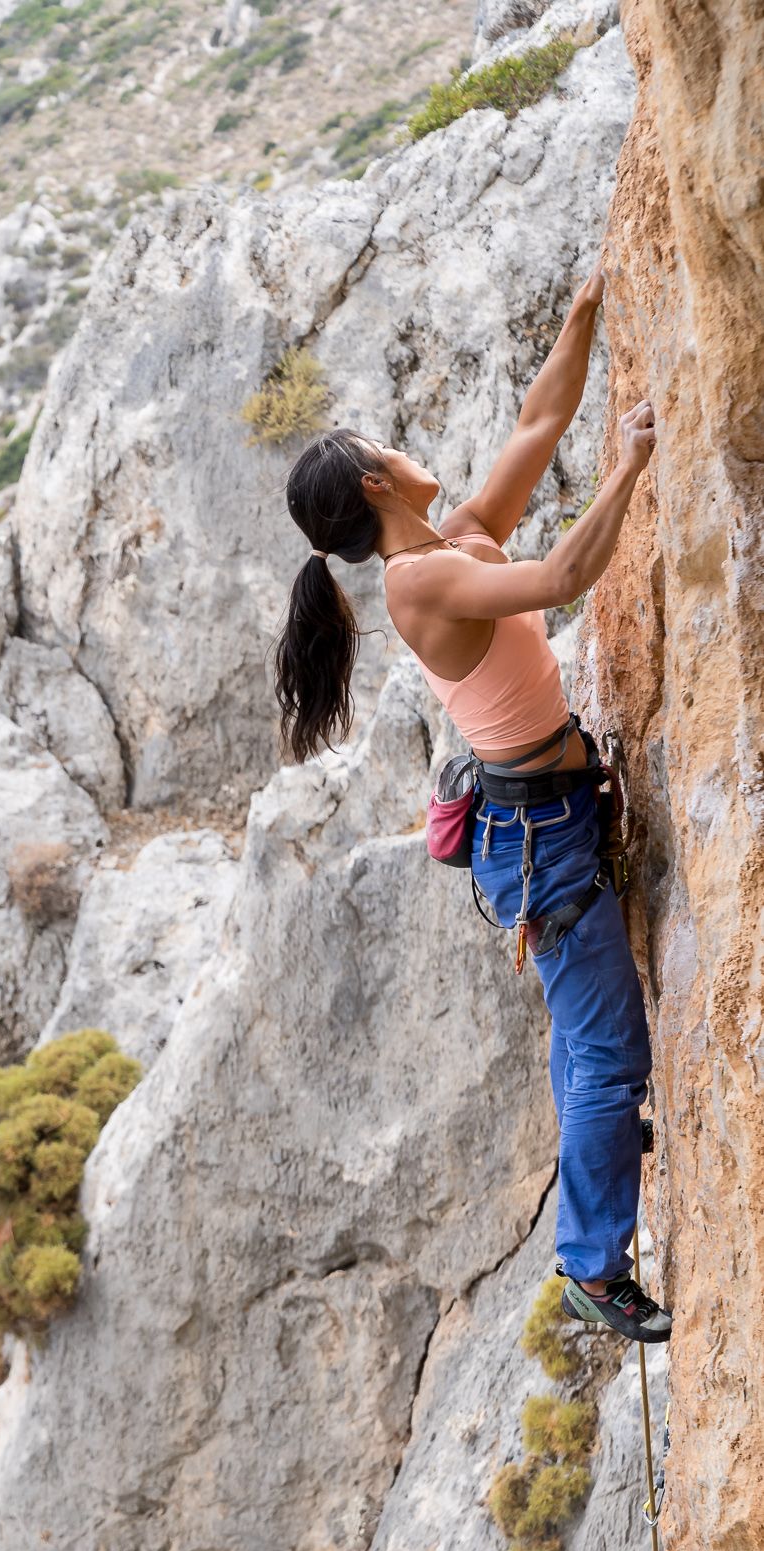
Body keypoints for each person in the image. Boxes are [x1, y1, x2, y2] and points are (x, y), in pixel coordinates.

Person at [270, 266, 670, 1345]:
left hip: (537, 817)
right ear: (372, 487)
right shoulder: (420, 584)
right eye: (379, 446)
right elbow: (555, 582)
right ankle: (592, 1265)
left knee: (584, 1040)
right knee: (609, 1056)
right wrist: (631, 466)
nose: (399, 445)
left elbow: (539, 421)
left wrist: (580, 309)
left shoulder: (445, 541)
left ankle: (592, 1234)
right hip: (536, 833)